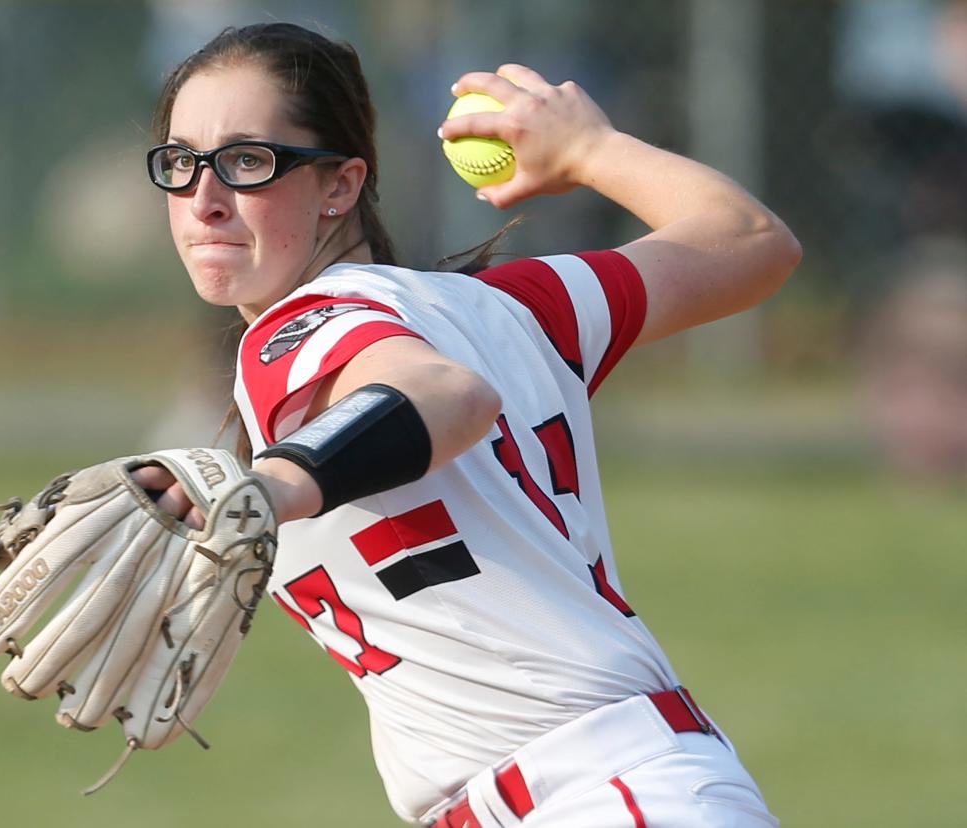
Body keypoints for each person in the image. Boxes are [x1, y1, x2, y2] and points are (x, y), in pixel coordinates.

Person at [133, 22, 801, 827]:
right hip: (632, 781)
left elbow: (442, 394)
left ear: (339, 187)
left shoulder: (295, 333)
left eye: (248, 162)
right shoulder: (516, 308)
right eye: (182, 163)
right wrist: (592, 151)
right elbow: (750, 242)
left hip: (590, 797)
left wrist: (268, 486)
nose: (204, 198)